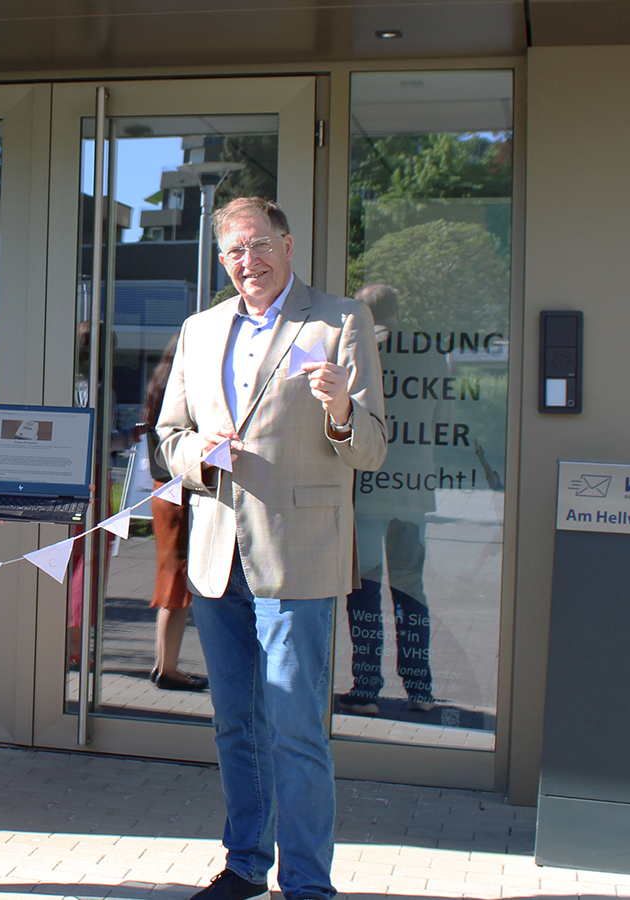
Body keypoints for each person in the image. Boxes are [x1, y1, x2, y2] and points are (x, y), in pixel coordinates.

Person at [156, 197, 386, 900]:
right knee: (237, 729)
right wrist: (201, 455)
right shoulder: (199, 329)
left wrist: (342, 409)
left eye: (258, 246)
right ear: (221, 260)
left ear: (287, 245)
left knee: (296, 731)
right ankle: (245, 864)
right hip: (218, 556)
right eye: (233, 252)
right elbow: (170, 437)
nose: (247, 262)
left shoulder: (341, 320)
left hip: (300, 553)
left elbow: (371, 451)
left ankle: (310, 885)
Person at [339, 284, 437, 716]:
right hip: (413, 489)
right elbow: (446, 418)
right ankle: (420, 689)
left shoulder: (362, 350)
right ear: (398, 311)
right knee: (410, 588)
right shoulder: (431, 353)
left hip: (367, 487)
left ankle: (367, 689)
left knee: (365, 590)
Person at [141, 334, 207, 691]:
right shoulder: (183, 395)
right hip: (178, 489)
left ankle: (165, 664)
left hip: (163, 489)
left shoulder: (158, 389)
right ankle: (166, 668)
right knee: (176, 581)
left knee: (173, 577)